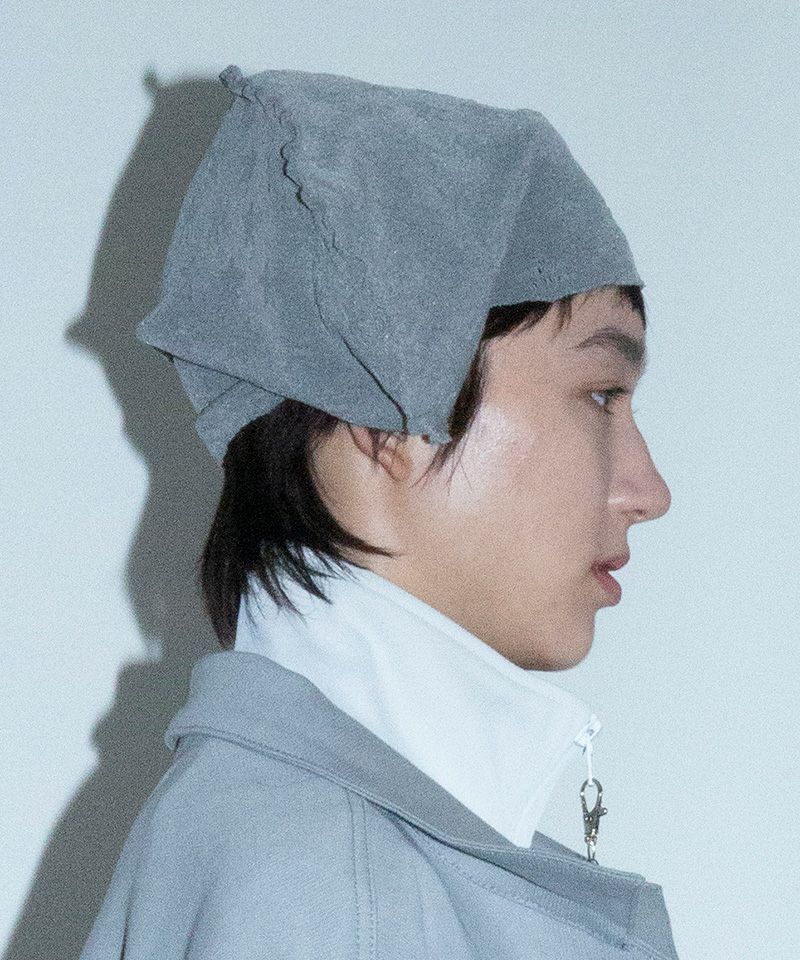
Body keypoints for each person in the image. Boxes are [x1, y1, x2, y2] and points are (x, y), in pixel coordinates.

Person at [79, 64, 680, 959]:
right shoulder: (333, 884)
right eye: (601, 394)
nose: (648, 490)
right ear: (382, 418)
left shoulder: (295, 842)